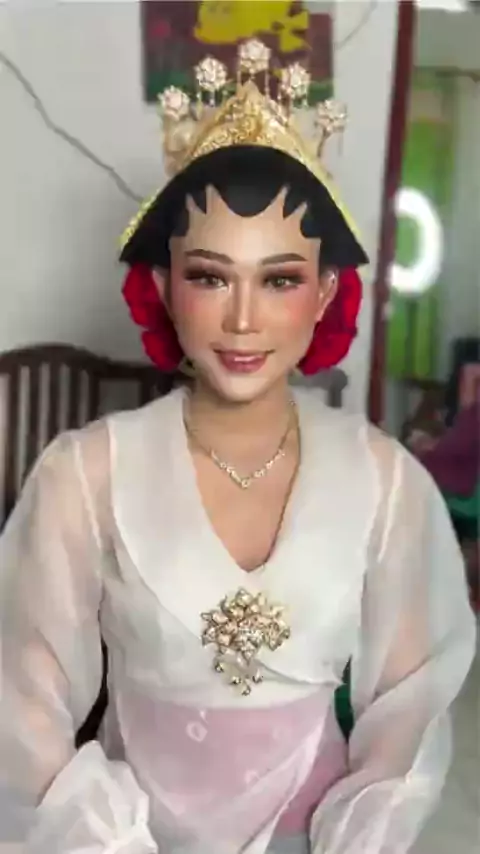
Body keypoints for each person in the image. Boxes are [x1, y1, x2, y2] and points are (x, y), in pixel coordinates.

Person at [0, 41, 475, 854]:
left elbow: (409, 705)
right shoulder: (84, 475)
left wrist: (361, 835)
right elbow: (22, 698)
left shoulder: (386, 482)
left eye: (280, 279)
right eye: (211, 276)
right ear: (164, 285)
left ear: (324, 291)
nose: (244, 319)